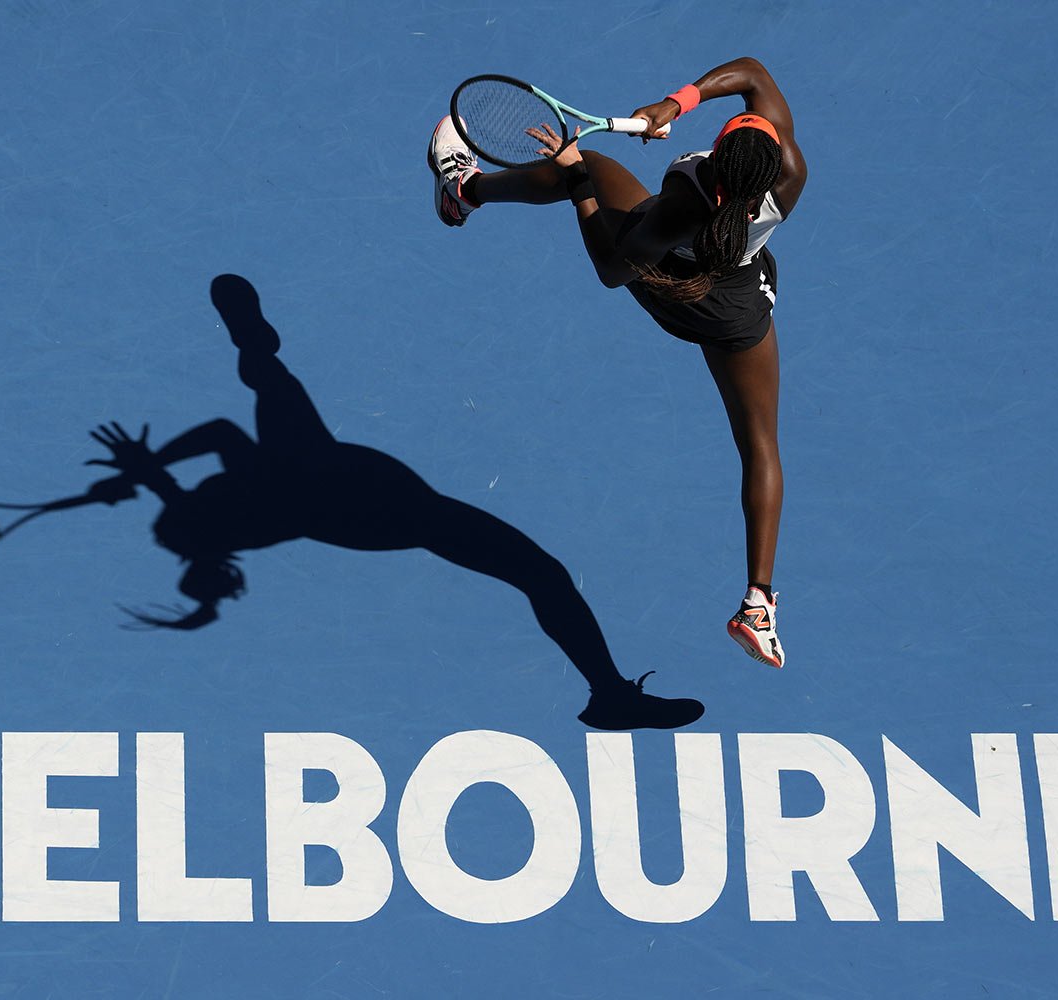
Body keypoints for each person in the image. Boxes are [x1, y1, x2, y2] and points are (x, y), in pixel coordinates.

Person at [84, 274, 704, 730]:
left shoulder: (237, 517)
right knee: (539, 573)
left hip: (350, 497)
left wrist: (147, 475)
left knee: (538, 574)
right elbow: (217, 438)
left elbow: (205, 480)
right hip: (360, 495)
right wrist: (147, 469)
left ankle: (610, 694)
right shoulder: (248, 498)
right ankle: (611, 696)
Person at [427, 57, 806, 669]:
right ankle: (758, 602)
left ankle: (464, 191)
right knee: (761, 445)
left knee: (584, 165)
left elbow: (614, 269)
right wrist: (673, 104)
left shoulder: (683, 200)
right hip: (740, 306)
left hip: (669, 284)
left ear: (717, 157)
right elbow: (758, 76)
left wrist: (578, 177)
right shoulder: (789, 172)